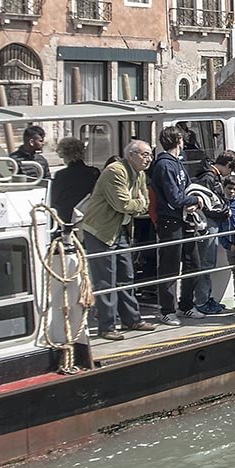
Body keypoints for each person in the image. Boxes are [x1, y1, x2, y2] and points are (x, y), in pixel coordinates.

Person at [79, 140, 157, 340]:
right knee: (106, 280)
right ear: (131, 155)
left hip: (120, 230)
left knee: (126, 275)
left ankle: (132, 319)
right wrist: (139, 202)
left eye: (149, 154)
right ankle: (107, 326)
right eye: (144, 154)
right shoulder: (116, 171)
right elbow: (123, 204)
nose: (148, 159)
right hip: (101, 231)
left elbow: (146, 202)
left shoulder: (139, 174)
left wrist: (139, 202)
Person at [148, 126, 202, 325]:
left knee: (193, 263)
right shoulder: (164, 165)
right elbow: (174, 197)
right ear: (178, 141)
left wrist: (192, 199)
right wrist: (193, 199)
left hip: (184, 219)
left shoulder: (178, 164)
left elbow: (186, 187)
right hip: (170, 221)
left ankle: (186, 304)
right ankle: (167, 310)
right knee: (170, 267)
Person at [189, 150, 235, 316]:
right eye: (230, 170)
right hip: (208, 225)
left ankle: (206, 297)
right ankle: (202, 300)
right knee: (206, 262)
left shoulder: (209, 176)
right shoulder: (209, 178)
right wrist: (225, 212)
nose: (229, 174)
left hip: (209, 224)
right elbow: (209, 206)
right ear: (226, 165)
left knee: (208, 262)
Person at [49, 137, 99, 226]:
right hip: (91, 216)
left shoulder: (61, 175)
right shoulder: (94, 173)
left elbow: (54, 200)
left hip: (68, 218)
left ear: (64, 155)